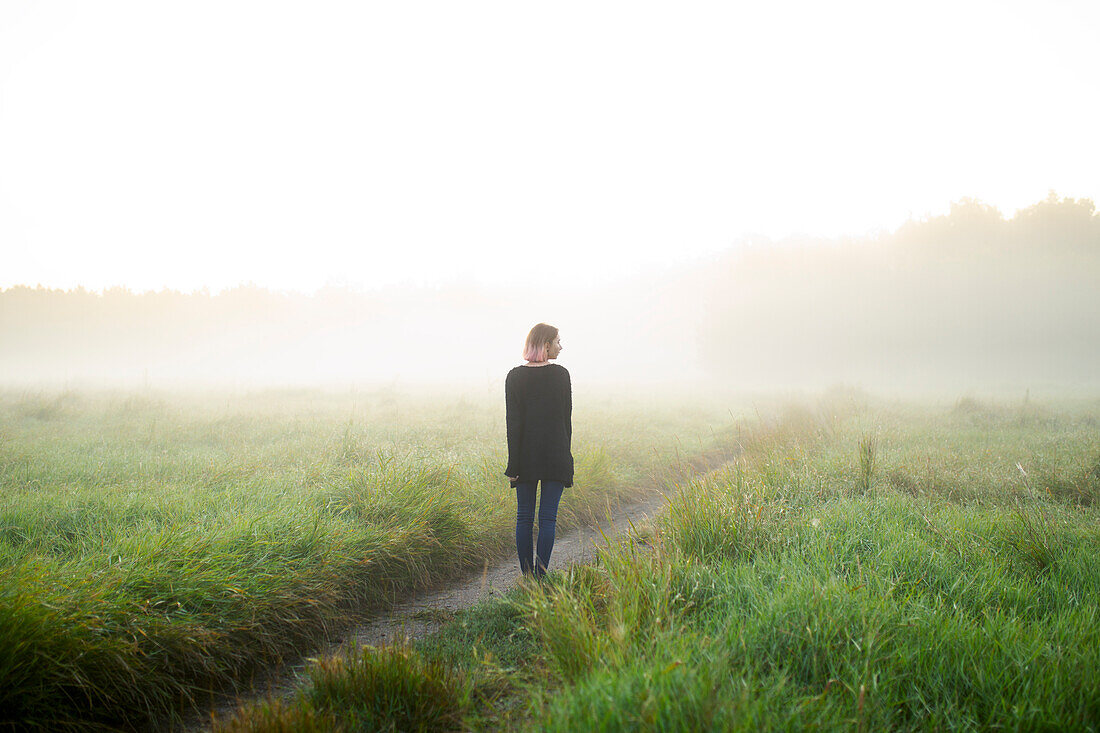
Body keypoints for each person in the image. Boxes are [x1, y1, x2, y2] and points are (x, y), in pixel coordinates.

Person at [504, 323, 573, 578]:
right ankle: (541, 578)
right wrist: (567, 458)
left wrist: (513, 466)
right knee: (547, 519)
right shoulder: (561, 375)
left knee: (524, 518)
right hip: (556, 456)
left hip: (525, 459)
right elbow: (566, 422)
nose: (561, 346)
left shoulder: (514, 377)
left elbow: (514, 425)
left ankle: (528, 578)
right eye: (557, 341)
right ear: (545, 345)